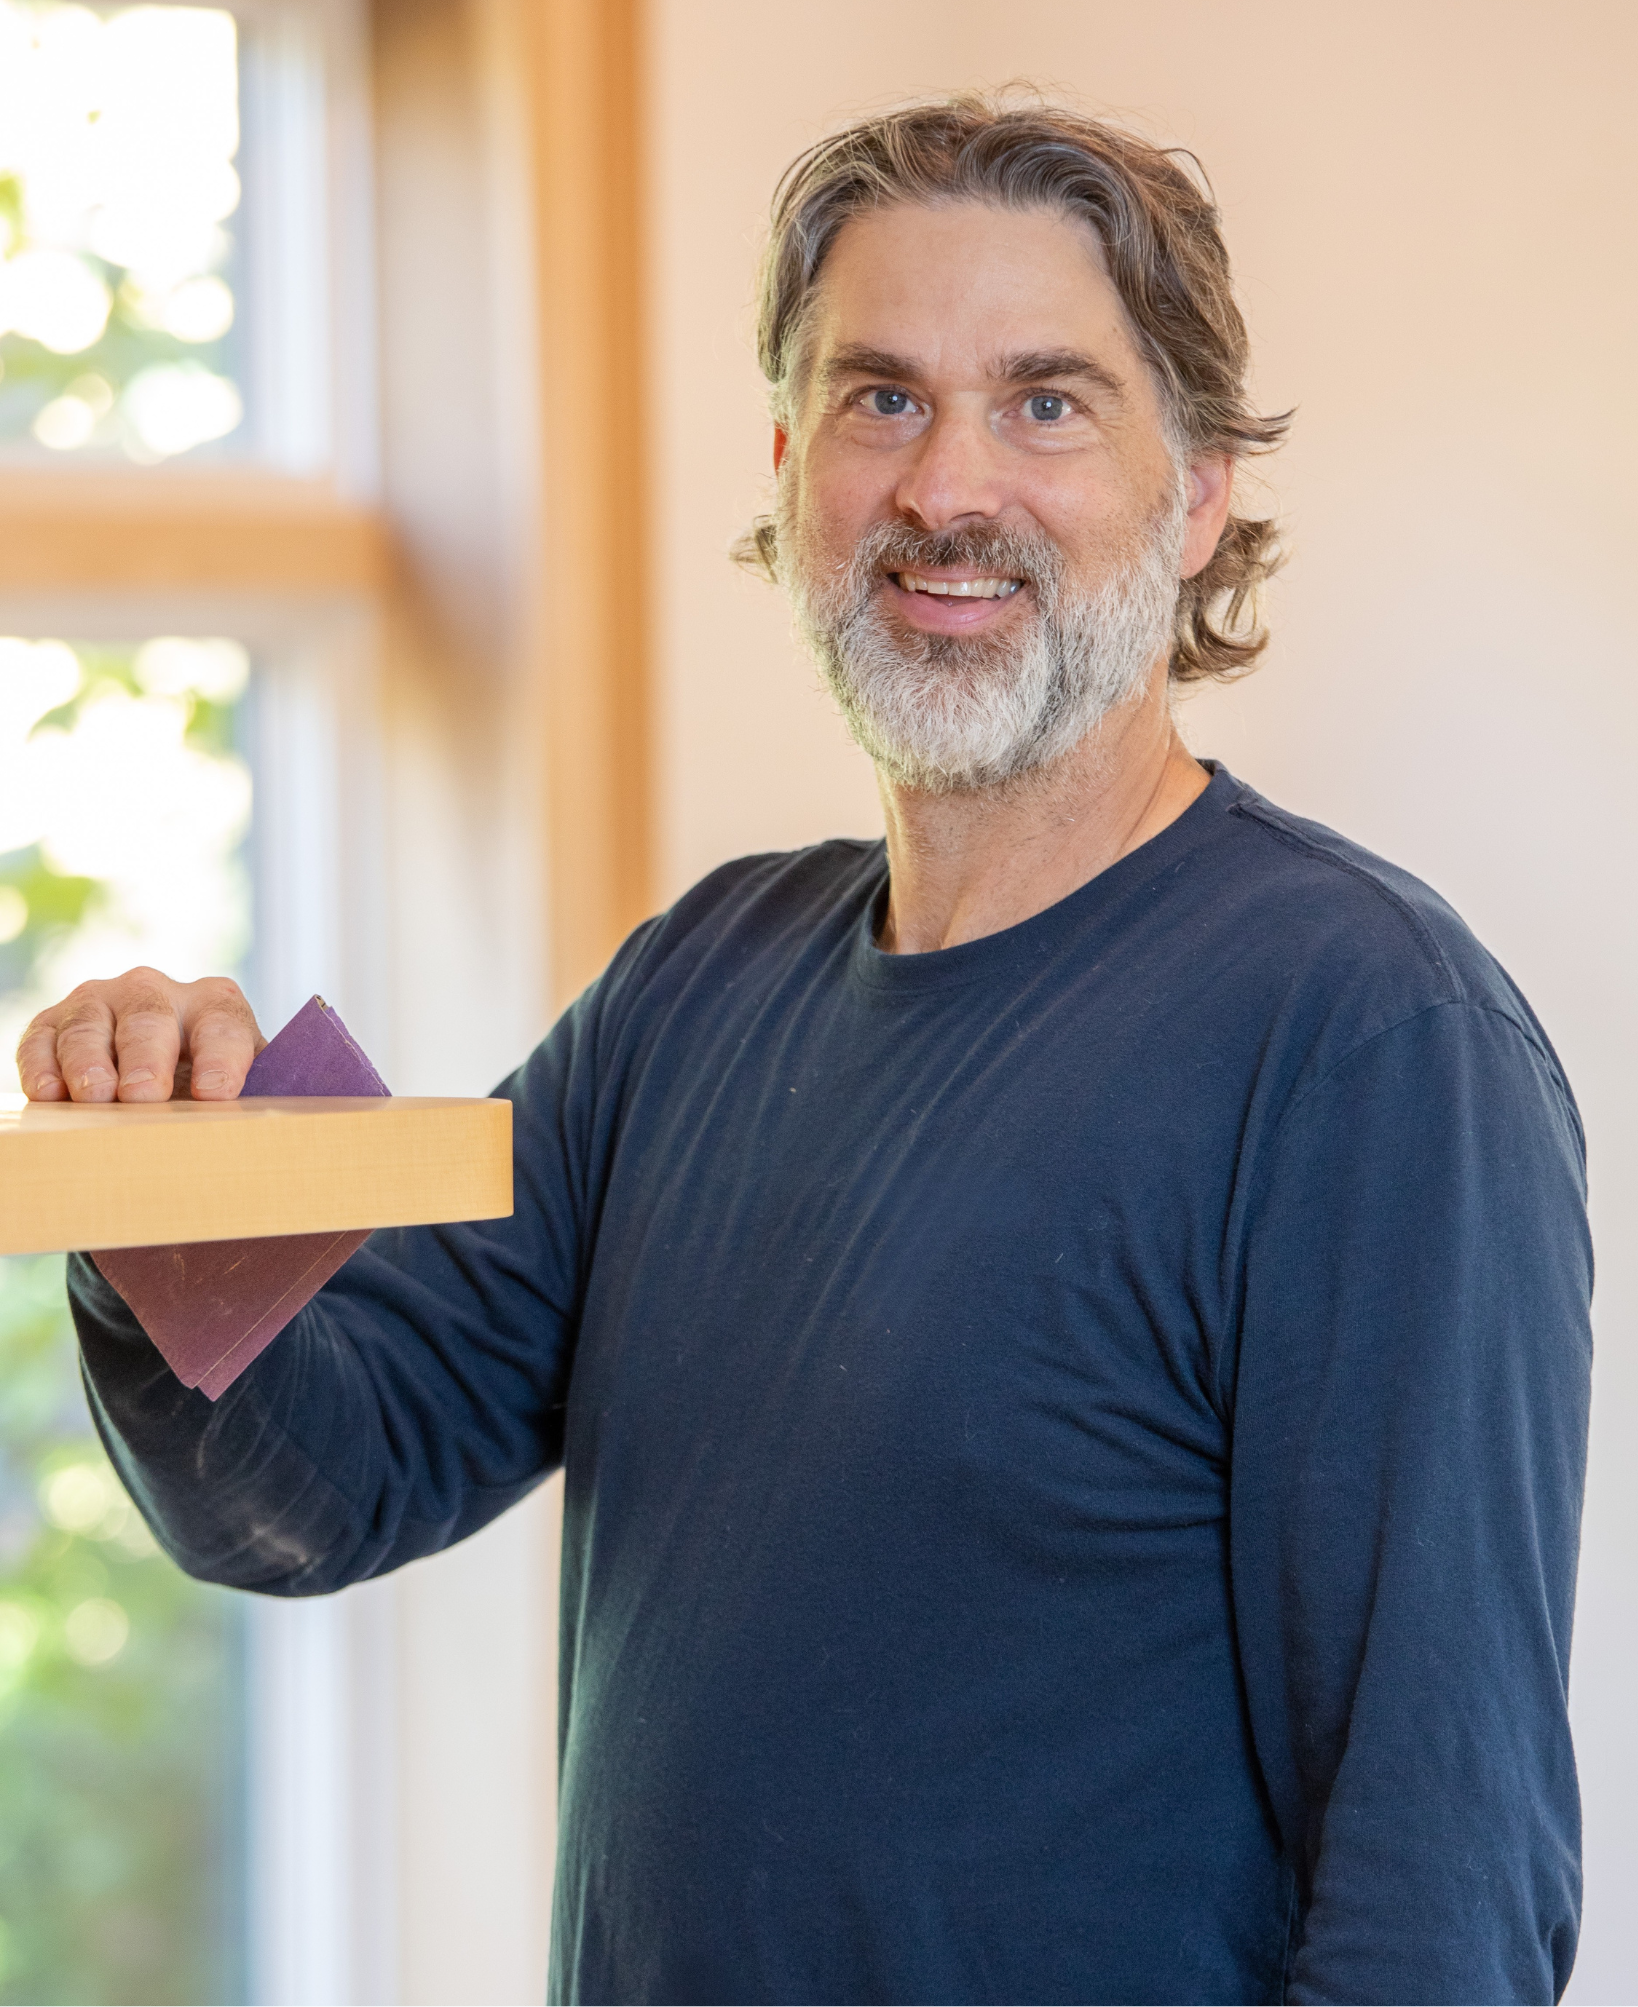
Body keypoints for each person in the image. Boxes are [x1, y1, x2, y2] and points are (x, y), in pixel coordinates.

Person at [21, 97, 1590, 2007]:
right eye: (877, 399)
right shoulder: (697, 986)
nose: (947, 487)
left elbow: (1445, 1893)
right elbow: (321, 1482)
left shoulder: (1366, 1043)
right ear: (786, 461)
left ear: (1193, 497)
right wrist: (170, 1179)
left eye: (1045, 403)